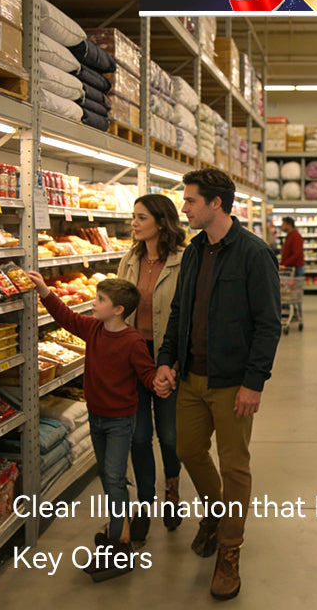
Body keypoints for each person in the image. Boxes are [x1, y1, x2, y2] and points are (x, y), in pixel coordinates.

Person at [154, 167, 281, 601]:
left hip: (232, 383)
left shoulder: (253, 253)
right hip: (190, 376)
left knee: (234, 467)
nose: (184, 208)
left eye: (190, 201)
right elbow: (178, 314)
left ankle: (229, 551)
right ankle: (217, 513)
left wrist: (254, 382)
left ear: (216, 205)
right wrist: (167, 360)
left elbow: (268, 324)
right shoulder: (192, 253)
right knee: (186, 449)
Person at [27, 271, 159, 581]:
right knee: (108, 475)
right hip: (97, 417)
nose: (93, 303)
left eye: (100, 300)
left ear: (118, 310)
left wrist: (162, 383)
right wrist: (45, 291)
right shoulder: (94, 329)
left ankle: (118, 547)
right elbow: (66, 317)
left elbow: (147, 375)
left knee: (113, 477)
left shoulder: (133, 341)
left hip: (119, 421)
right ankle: (121, 531)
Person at [117, 194, 186, 539]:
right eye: (134, 217)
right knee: (139, 437)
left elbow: (186, 317)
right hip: (134, 357)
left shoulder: (183, 261)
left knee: (171, 436)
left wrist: (170, 365)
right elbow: (118, 306)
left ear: (161, 222)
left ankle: (172, 486)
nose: (134, 223)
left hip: (167, 358)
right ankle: (144, 503)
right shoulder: (129, 259)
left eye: (141, 217)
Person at [280, 215, 305, 320]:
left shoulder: (295, 236)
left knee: (295, 293)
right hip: (290, 267)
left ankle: (298, 313)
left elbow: (297, 254)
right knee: (292, 293)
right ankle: (294, 313)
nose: (281, 227)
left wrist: (285, 264)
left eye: (283, 224)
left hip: (295, 268)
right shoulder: (290, 235)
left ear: (288, 225)